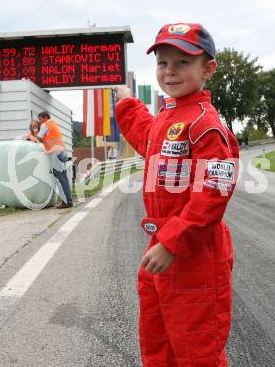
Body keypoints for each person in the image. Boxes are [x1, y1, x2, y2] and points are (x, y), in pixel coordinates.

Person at [114, 23, 239, 366]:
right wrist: (126, 104)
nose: (170, 71)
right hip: (160, 254)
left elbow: (213, 193)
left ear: (207, 69)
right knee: (158, 348)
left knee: (198, 353)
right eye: (163, 63)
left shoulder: (205, 123)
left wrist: (173, 242)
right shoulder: (169, 117)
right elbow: (146, 134)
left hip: (195, 257)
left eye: (182, 63)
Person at [37, 111, 73, 209]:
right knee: (62, 177)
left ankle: (67, 201)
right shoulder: (54, 124)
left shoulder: (45, 124)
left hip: (56, 153)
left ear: (45, 117)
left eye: (40, 119)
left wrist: (37, 136)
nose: (39, 122)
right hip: (62, 152)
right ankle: (67, 200)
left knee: (61, 178)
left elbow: (39, 137)